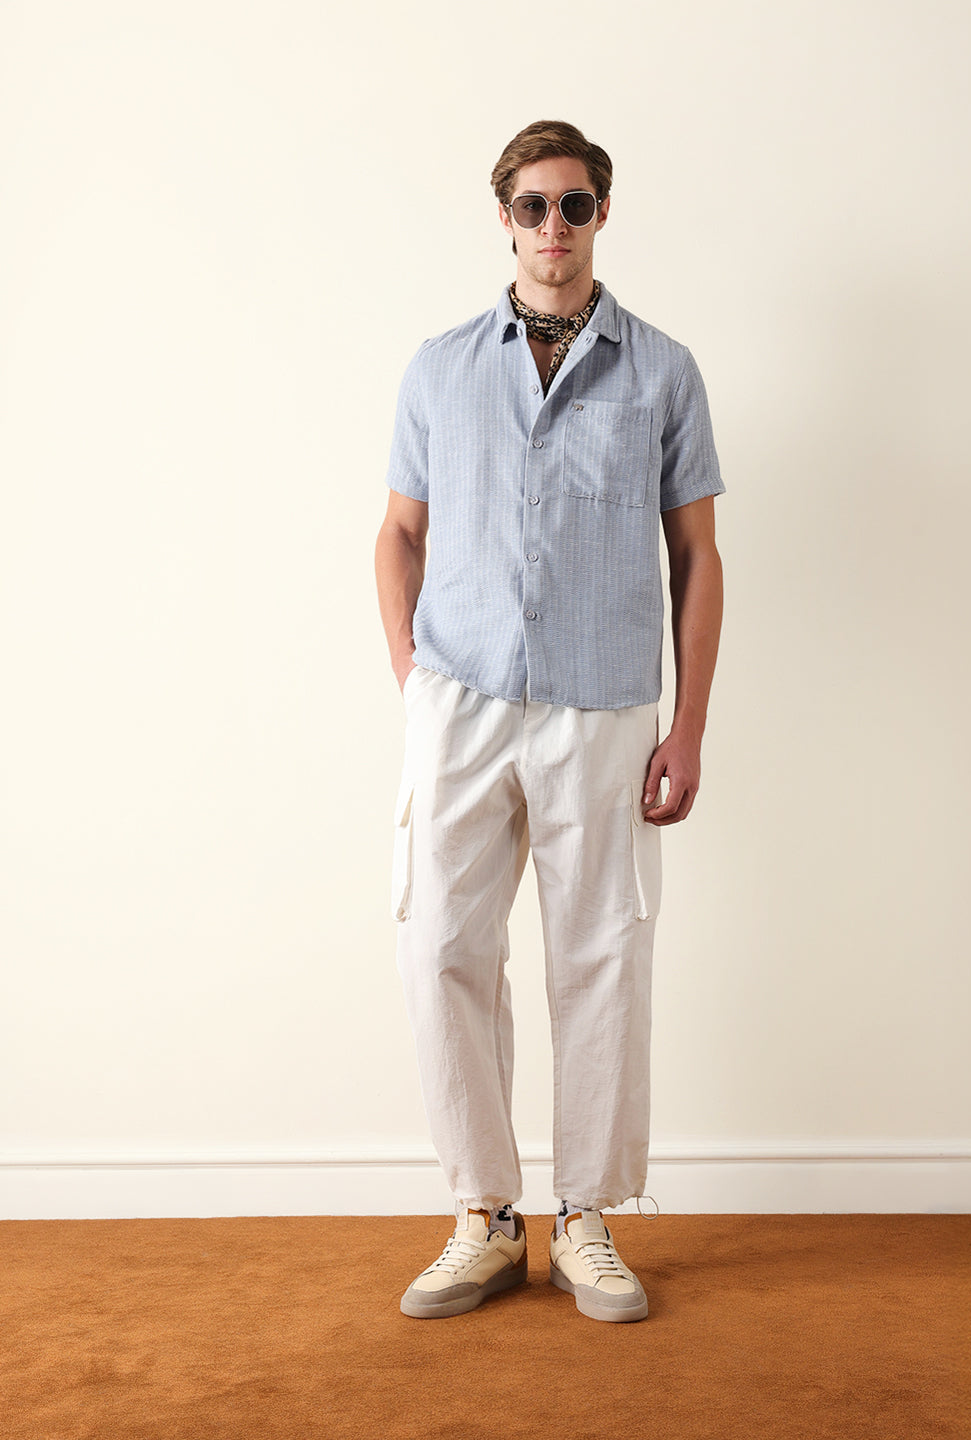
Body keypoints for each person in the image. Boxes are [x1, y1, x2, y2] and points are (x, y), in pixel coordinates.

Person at [374, 119, 725, 1324]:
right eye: (533, 206)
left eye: (574, 205)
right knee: (441, 948)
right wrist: (413, 681)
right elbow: (399, 534)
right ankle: (484, 1214)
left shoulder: (663, 371)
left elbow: (698, 555)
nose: (554, 226)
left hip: (603, 705)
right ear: (505, 217)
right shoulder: (439, 368)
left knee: (603, 956)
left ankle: (586, 1217)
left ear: (601, 214)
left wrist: (689, 726)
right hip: (462, 700)